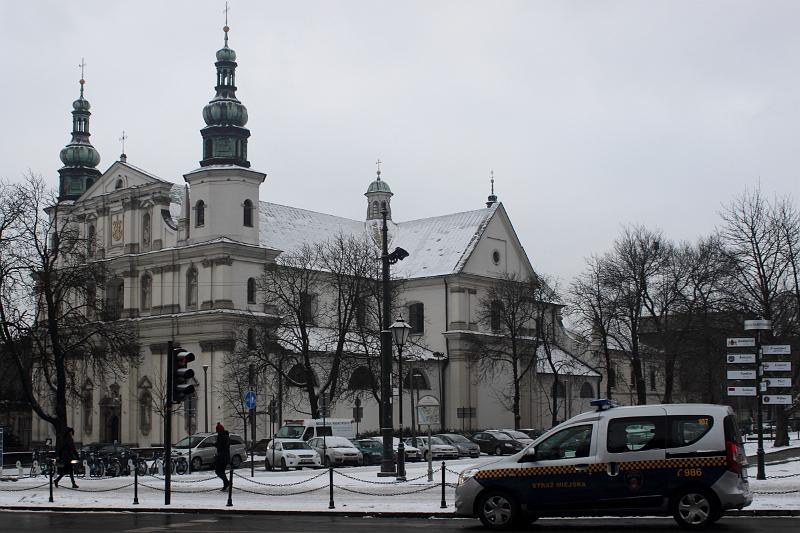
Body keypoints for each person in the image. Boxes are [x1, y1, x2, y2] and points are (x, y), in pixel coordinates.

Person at [214, 422, 231, 491]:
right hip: (225, 457)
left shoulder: (221, 436)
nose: (216, 431)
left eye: (217, 430)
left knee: (218, 471)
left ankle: (227, 483)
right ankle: (226, 484)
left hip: (222, 457)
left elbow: (221, 446)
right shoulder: (225, 436)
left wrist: (216, 444)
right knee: (222, 471)